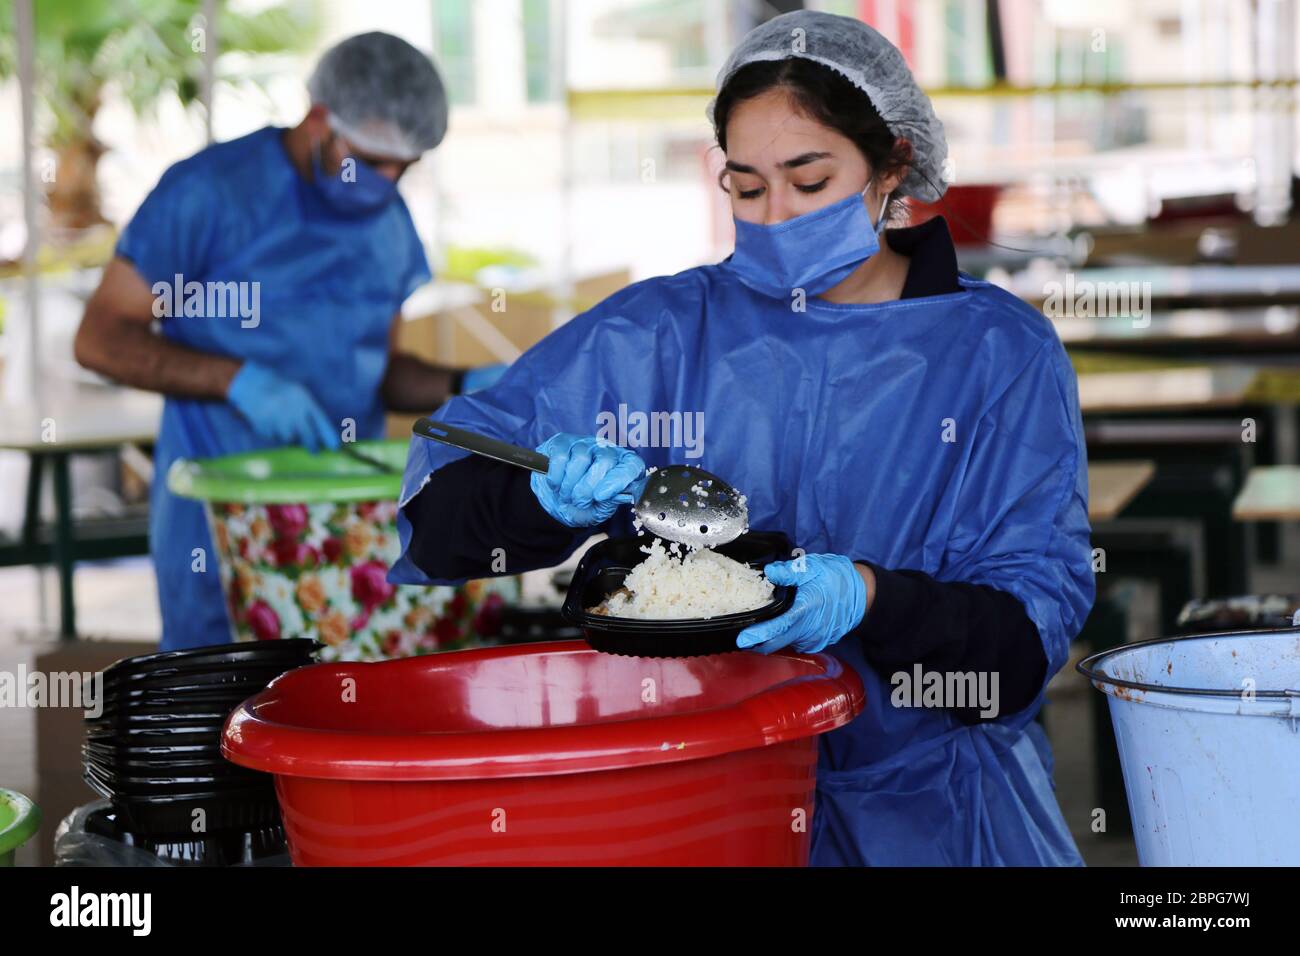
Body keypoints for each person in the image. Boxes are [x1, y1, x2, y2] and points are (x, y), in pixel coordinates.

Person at [389, 11, 1093, 865]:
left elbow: (1020, 647)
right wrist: (536, 499)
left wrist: (869, 597)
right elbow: (439, 524)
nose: (777, 216)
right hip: (704, 798)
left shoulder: (996, 352)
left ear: (893, 165)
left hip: (939, 816)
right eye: (748, 189)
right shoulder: (660, 333)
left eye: (809, 179)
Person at [75, 32, 504, 652]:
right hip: (223, 515)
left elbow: (380, 371)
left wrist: (462, 385)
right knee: (225, 705)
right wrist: (238, 380)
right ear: (319, 119)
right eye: (372, 158)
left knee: (347, 704)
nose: (387, 180)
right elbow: (100, 338)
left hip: (344, 523)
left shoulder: (387, 224)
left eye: (404, 166)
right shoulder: (209, 192)